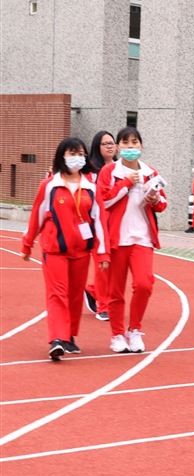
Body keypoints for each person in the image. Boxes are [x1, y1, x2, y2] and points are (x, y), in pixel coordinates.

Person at [20, 137, 109, 360]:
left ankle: (69, 336)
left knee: (74, 296)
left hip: (81, 251)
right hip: (54, 250)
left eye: (80, 153)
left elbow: (99, 222)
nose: (77, 157)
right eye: (72, 153)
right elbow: (37, 216)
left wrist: (103, 253)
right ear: (62, 156)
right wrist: (27, 244)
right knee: (57, 294)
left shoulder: (91, 188)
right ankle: (57, 339)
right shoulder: (50, 185)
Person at [97, 126, 167, 353]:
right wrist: (126, 182)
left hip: (142, 239)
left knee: (144, 284)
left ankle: (134, 329)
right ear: (118, 147)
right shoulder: (109, 172)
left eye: (134, 143)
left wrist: (155, 199)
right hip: (117, 240)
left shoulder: (150, 172)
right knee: (115, 291)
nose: (130, 147)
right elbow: (103, 202)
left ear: (141, 146)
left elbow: (162, 205)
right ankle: (117, 335)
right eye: (125, 144)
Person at [83, 130, 117, 321]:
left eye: (112, 143)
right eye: (105, 143)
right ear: (97, 147)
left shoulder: (122, 169)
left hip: (119, 226)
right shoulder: (90, 173)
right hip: (98, 227)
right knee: (102, 266)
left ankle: (92, 290)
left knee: (114, 269)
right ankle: (103, 307)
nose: (110, 146)